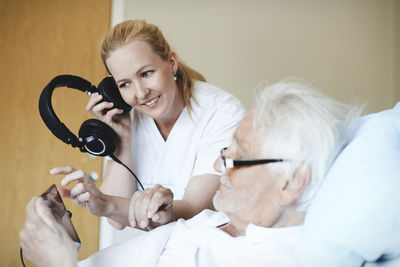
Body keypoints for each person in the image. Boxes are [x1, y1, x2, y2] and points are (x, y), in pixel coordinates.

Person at [20, 79, 360, 266]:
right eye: (224, 151)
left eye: (234, 159)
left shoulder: (269, 258)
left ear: (290, 183)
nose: (217, 165)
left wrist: (57, 262)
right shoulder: (224, 222)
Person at [51, 19, 245, 230]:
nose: (141, 93)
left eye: (146, 74)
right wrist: (122, 139)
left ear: (171, 63)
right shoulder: (128, 117)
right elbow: (115, 222)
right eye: (125, 84)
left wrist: (107, 204)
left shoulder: (221, 111)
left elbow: (194, 209)